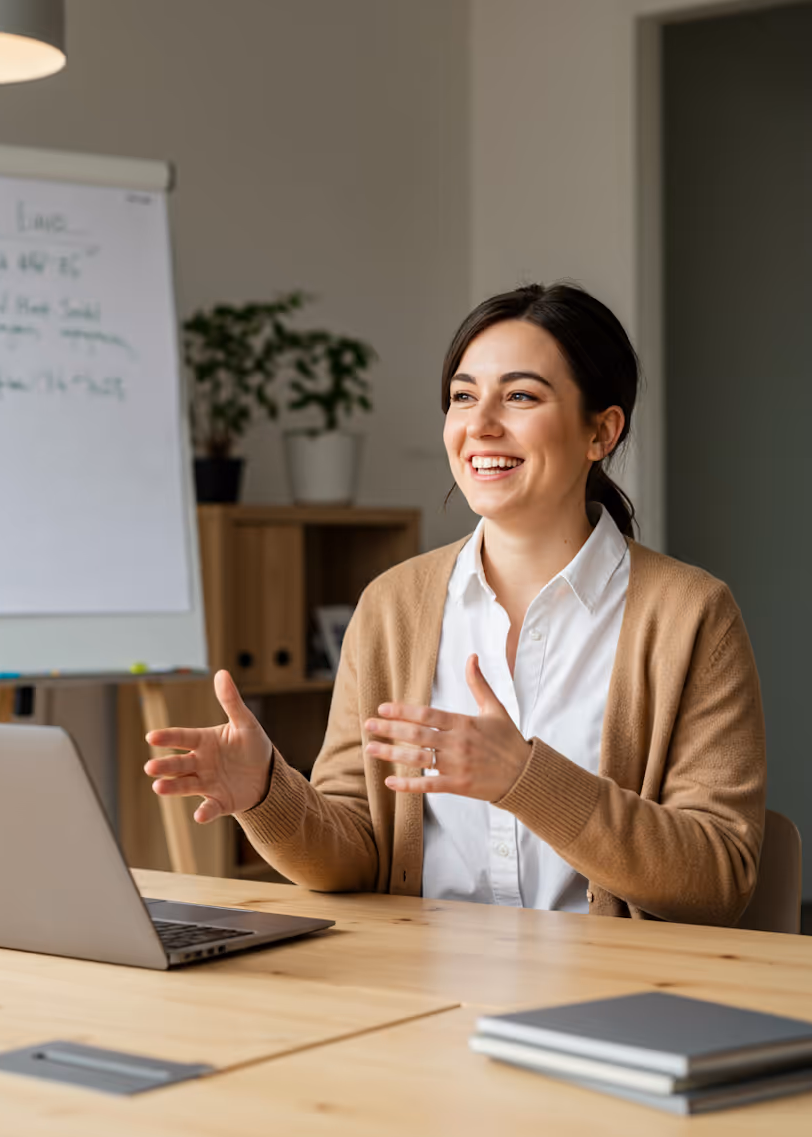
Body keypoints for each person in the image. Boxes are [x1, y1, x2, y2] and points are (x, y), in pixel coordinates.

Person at [145, 283, 766, 926]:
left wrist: (525, 779)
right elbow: (357, 846)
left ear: (601, 432)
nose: (480, 425)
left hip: (611, 999)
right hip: (420, 986)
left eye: (520, 396)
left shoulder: (692, 615)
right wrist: (267, 793)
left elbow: (720, 877)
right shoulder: (392, 606)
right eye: (462, 397)